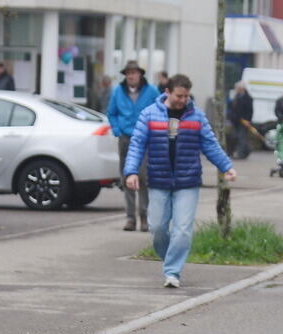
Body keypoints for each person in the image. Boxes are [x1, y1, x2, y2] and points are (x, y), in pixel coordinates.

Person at [124, 74, 237, 288]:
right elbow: (137, 144)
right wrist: (131, 172)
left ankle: (172, 271)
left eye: (186, 96)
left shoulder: (196, 117)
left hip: (188, 181)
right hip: (158, 180)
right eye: (179, 95)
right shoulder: (149, 115)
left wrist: (226, 167)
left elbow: (210, 145)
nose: (183, 100)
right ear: (167, 92)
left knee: (183, 229)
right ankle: (170, 258)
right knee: (157, 227)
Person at [107, 60, 160, 231]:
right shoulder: (118, 92)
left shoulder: (151, 91)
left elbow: (160, 110)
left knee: (143, 177)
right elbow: (111, 112)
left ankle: (144, 216)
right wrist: (117, 129)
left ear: (140, 74)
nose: (131, 76)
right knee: (127, 178)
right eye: (128, 73)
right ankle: (130, 218)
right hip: (125, 138)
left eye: (134, 73)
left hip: (144, 139)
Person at [228, 81, 254, 159]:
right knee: (234, 137)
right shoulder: (236, 97)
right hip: (235, 121)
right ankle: (242, 151)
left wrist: (247, 120)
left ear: (241, 88)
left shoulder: (247, 98)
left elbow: (250, 110)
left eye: (237, 88)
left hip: (243, 121)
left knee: (241, 138)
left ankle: (242, 153)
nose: (235, 90)